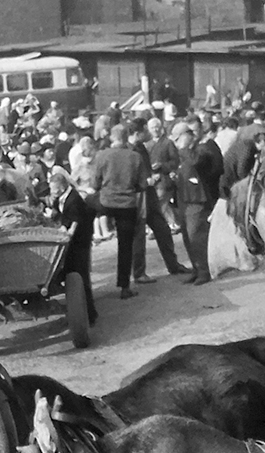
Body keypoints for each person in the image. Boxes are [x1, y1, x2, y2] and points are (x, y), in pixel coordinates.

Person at [91, 124, 148, 299]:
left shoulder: (102, 156)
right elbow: (142, 185)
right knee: (125, 246)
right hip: (126, 204)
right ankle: (124, 286)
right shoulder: (135, 157)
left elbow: (95, 183)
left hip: (106, 202)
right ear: (126, 137)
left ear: (111, 138)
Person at [129, 124, 190, 284]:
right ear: (138, 133)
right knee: (139, 235)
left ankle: (173, 265)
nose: (149, 132)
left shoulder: (141, 147)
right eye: (146, 130)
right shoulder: (130, 150)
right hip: (139, 195)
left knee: (162, 228)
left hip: (150, 194)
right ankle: (139, 273)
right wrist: (146, 180)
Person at [174, 124, 222, 285]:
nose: (176, 142)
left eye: (178, 137)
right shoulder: (183, 153)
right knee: (187, 237)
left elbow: (196, 162)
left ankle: (204, 270)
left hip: (197, 199)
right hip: (183, 199)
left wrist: (185, 147)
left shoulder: (202, 149)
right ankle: (196, 268)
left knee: (197, 236)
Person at [48, 168, 96, 322]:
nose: (52, 192)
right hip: (71, 244)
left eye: (54, 190)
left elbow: (75, 223)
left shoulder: (74, 200)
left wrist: (66, 235)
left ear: (62, 188)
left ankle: (90, 314)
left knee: (81, 277)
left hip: (79, 243)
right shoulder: (61, 198)